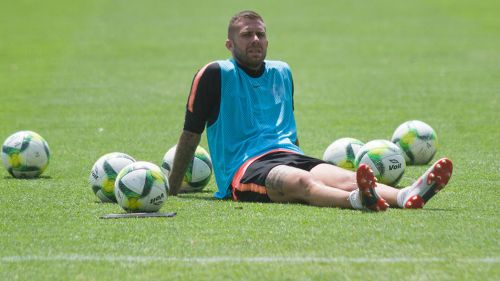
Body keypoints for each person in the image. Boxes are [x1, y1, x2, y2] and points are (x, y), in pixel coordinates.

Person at [168, 10, 453, 211]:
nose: (255, 40)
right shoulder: (215, 74)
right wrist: (172, 186)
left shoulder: (282, 71)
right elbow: (191, 133)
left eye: (260, 34)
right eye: (246, 35)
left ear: (268, 41)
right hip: (245, 168)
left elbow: (288, 125)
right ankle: (357, 200)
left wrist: (298, 155)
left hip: (289, 153)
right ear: (230, 44)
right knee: (301, 182)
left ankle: (405, 196)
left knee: (341, 176)